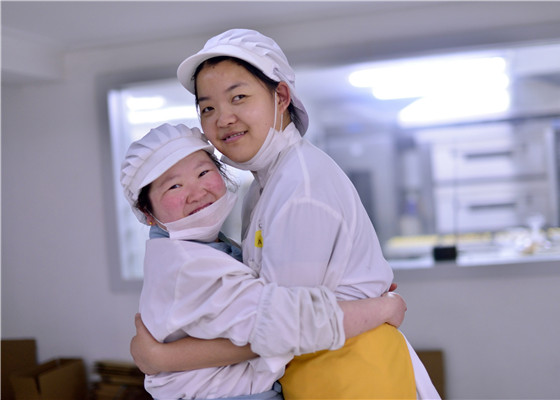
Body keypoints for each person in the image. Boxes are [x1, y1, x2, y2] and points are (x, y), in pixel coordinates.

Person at [132, 29, 440, 399]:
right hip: (316, 366)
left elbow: (286, 329)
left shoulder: (300, 189)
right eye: (208, 107)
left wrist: (162, 358)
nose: (223, 118)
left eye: (239, 97)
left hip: (348, 370)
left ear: (280, 96)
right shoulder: (265, 185)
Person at [121, 122, 409, 400]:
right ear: (147, 213)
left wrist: (160, 358)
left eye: (203, 172)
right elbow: (288, 326)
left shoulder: (209, 246)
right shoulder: (187, 265)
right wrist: (383, 306)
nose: (198, 192)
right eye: (174, 187)